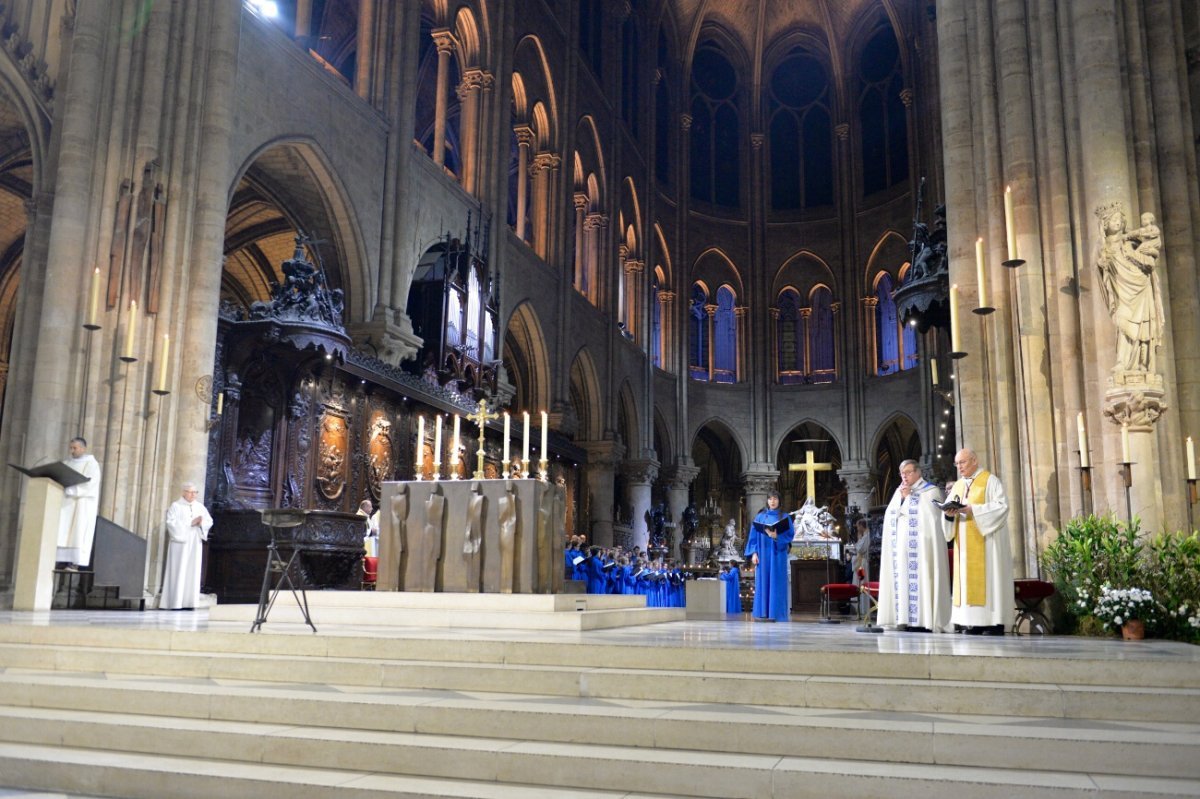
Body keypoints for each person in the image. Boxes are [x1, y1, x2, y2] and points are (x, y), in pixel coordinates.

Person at [942, 448, 1013, 635]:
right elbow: (947, 513)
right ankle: (971, 622)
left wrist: (973, 510)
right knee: (966, 582)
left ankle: (993, 623)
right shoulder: (957, 486)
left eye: (962, 462)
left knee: (990, 580)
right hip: (963, 546)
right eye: (957, 464)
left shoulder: (990, 481)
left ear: (974, 460)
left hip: (987, 544)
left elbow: (1002, 507)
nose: (959, 467)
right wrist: (949, 515)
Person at [877, 460, 951, 633]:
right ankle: (905, 619)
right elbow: (890, 516)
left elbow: (931, 519)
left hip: (923, 551)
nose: (905, 476)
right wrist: (903, 498)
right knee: (903, 582)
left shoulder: (931, 491)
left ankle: (924, 621)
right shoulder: (899, 491)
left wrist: (912, 497)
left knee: (924, 581)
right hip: (902, 551)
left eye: (908, 472)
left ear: (918, 472)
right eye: (902, 473)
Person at [161, 482, 213, 610]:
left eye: (195, 492)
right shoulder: (176, 506)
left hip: (195, 542)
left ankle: (190, 602)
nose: (193, 495)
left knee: (192, 570)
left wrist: (201, 523)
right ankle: (175, 602)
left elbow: (209, 520)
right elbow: (171, 523)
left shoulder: (200, 507)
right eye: (190, 492)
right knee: (179, 570)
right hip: (180, 543)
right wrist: (190, 523)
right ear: (183, 492)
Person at [744, 491, 795, 622]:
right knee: (763, 582)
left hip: (778, 555)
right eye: (770, 499)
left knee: (777, 583)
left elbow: (790, 535)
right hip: (763, 555)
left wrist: (776, 536)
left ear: (779, 501)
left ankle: (776, 613)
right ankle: (763, 613)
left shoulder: (785, 517)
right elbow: (753, 537)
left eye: (775, 499)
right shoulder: (760, 517)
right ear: (767, 501)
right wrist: (754, 553)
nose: (772, 501)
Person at [57, 437, 101, 571]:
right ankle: (60, 559)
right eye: (71, 448)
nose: (72, 451)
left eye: (74, 448)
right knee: (62, 530)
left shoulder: (91, 464)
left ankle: (73, 562)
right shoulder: (66, 463)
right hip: (66, 503)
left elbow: (90, 484)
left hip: (82, 503)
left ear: (83, 448)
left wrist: (72, 490)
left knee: (78, 532)